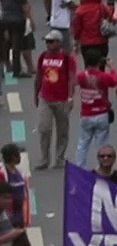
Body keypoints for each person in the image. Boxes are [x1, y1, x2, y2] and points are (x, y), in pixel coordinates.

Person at [34, 30, 76, 170]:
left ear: (59, 42)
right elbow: (39, 76)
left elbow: (71, 78)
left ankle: (59, 158)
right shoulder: (43, 56)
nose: (48, 44)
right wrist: (36, 94)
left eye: (51, 41)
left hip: (62, 99)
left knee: (62, 129)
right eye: (47, 41)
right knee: (44, 128)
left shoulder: (66, 57)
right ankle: (44, 159)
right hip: (45, 97)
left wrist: (70, 97)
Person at [74, 49, 117, 167]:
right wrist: (112, 67)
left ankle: (80, 168)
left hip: (86, 114)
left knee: (82, 144)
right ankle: (102, 167)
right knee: (102, 145)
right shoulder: (103, 76)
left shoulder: (81, 76)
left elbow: (72, 82)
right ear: (100, 62)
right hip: (102, 114)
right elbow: (114, 81)